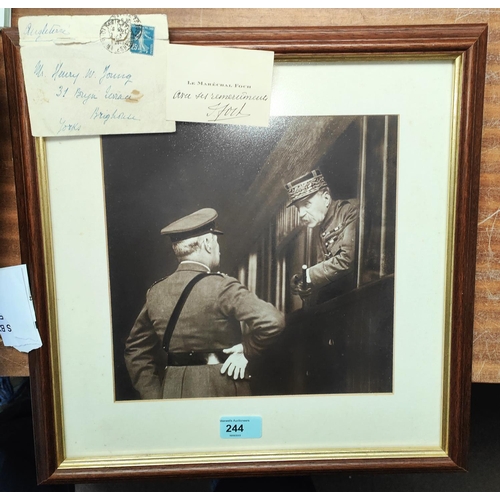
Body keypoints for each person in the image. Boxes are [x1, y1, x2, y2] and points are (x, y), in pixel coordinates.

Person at [124, 208, 285, 400]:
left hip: (172, 391)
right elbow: (273, 321)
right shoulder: (222, 286)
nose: (219, 248)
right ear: (208, 243)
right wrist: (247, 350)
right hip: (222, 385)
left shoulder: (156, 292)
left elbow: (135, 350)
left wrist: (154, 396)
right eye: (216, 242)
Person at [285, 169, 358, 300]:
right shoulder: (318, 227)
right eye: (298, 208)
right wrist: (303, 284)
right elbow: (325, 271)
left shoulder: (350, 210)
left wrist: (308, 276)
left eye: (306, 204)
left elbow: (347, 260)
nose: (301, 214)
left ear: (326, 197)